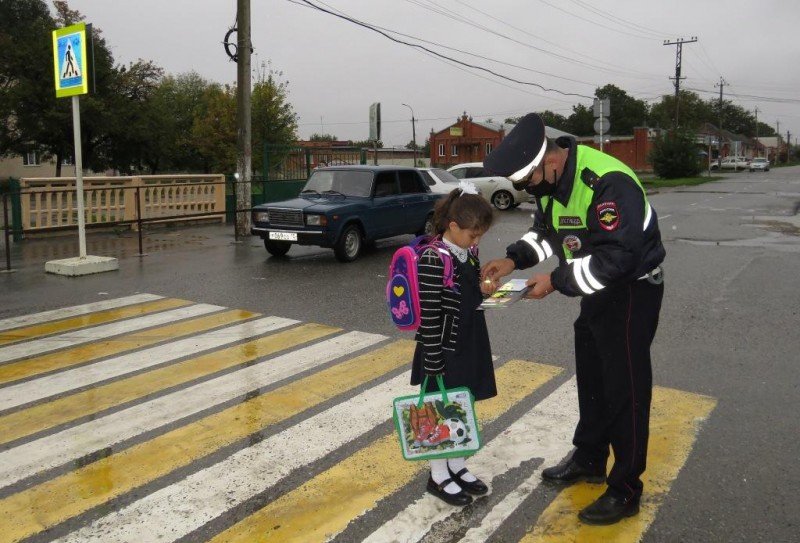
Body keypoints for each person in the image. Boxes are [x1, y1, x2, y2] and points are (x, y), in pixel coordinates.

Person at [481, 113, 666, 525]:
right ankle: (590, 457)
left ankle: (625, 488)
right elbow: (545, 232)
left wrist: (557, 280)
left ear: (550, 161)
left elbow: (620, 258)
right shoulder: (548, 184)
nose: (526, 190)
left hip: (632, 289)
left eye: (527, 182)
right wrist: (512, 259)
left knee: (626, 388)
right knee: (593, 375)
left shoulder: (606, 181)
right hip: (597, 290)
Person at [410, 180, 497, 506]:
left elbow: (467, 291)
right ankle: (438, 475)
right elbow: (430, 314)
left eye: (480, 236)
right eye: (473, 234)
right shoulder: (433, 258)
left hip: (470, 340)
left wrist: (485, 287)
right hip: (442, 348)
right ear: (453, 226)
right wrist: (432, 357)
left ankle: (457, 465)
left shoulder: (467, 251)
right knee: (438, 409)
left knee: (462, 403)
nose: (477, 240)